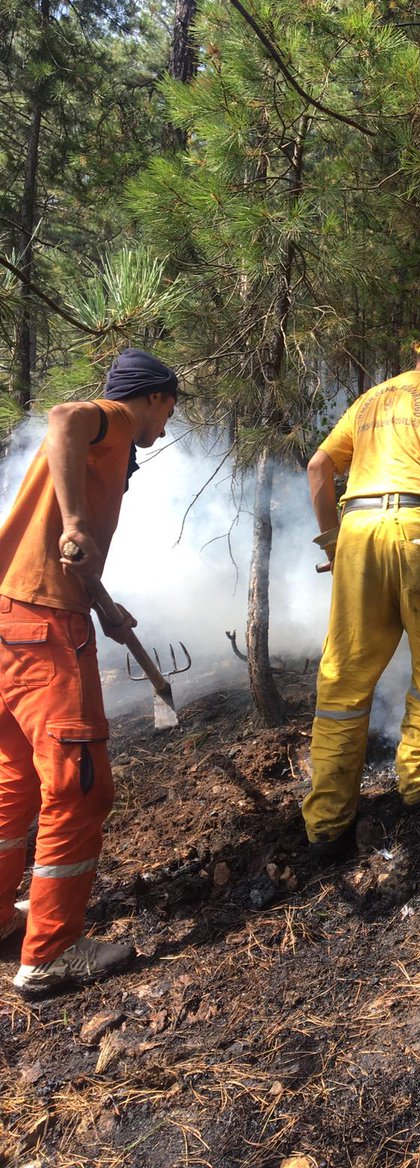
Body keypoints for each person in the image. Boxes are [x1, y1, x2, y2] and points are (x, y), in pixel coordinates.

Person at [0, 349, 178, 997]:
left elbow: (62, 554)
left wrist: (103, 605)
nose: (163, 429)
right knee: (81, 788)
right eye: (168, 410)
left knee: (15, 778)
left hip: (10, 618)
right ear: (155, 398)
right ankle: (49, 955)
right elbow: (64, 415)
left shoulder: (102, 455)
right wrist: (77, 523)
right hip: (44, 630)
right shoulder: (109, 421)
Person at [302, 322, 420, 859]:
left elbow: (318, 467)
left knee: (343, 676)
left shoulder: (369, 399)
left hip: (357, 531)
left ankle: (326, 822)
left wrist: (333, 544)